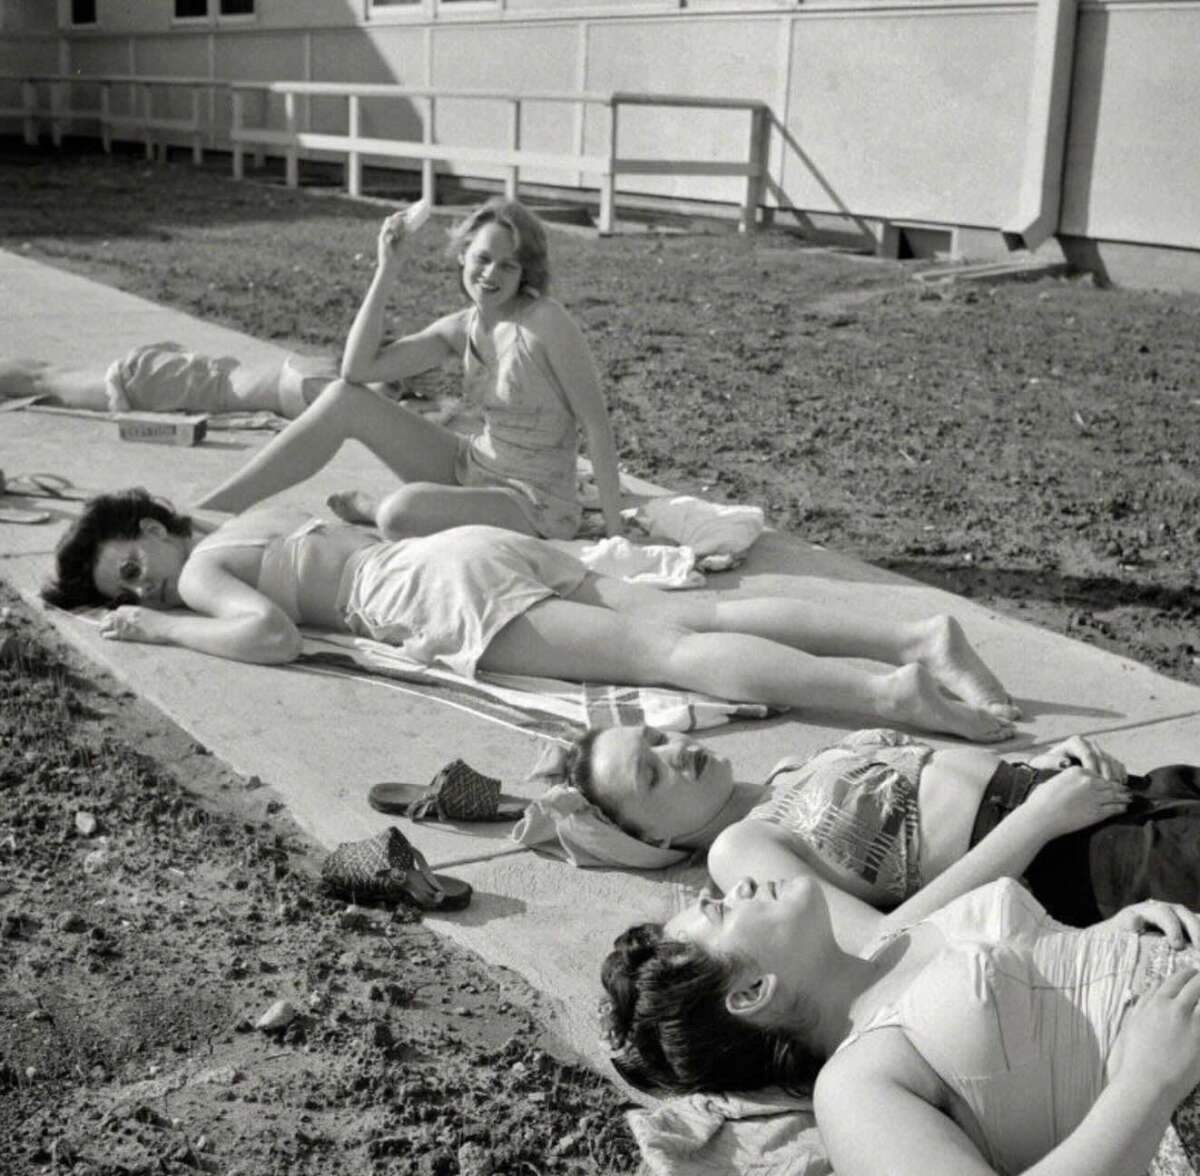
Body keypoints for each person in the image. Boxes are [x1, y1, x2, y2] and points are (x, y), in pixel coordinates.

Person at [42, 488, 1020, 742]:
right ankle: (912, 634)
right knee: (684, 608)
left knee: (670, 651)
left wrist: (163, 630)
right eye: (126, 593)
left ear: (151, 526)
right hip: (465, 554)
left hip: (437, 592)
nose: (145, 591)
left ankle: (892, 693)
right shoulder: (243, 526)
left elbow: (270, 635)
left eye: (134, 568)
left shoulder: (209, 568)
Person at [602, 875, 1200, 1174]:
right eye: (721, 911)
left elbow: (1043, 995)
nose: (741, 885)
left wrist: (1106, 939)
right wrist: (1149, 1083)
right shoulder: (855, 1087)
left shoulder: (895, 943)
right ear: (752, 993)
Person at [195, 198, 624, 542]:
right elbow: (357, 370)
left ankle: (373, 507)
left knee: (401, 513)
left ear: (524, 271)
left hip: (535, 501)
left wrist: (616, 533)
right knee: (345, 399)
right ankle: (208, 512)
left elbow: (597, 425)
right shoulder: (463, 326)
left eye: (508, 265)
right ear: (462, 256)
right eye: (483, 258)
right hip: (471, 466)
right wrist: (388, 268)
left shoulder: (546, 321)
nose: (491, 274)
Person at [569, 724, 1200, 935]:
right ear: (653, 840)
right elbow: (884, 939)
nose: (672, 750)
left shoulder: (792, 768)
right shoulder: (742, 848)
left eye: (655, 737)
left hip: (1109, 797)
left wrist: (1040, 767)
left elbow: (931, 784)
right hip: (1073, 859)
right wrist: (1038, 818)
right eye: (650, 775)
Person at [0, 346, 341, 419]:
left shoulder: (327, 369)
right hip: (170, 385)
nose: (396, 396)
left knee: (49, 374)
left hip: (181, 378)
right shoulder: (328, 383)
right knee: (44, 379)